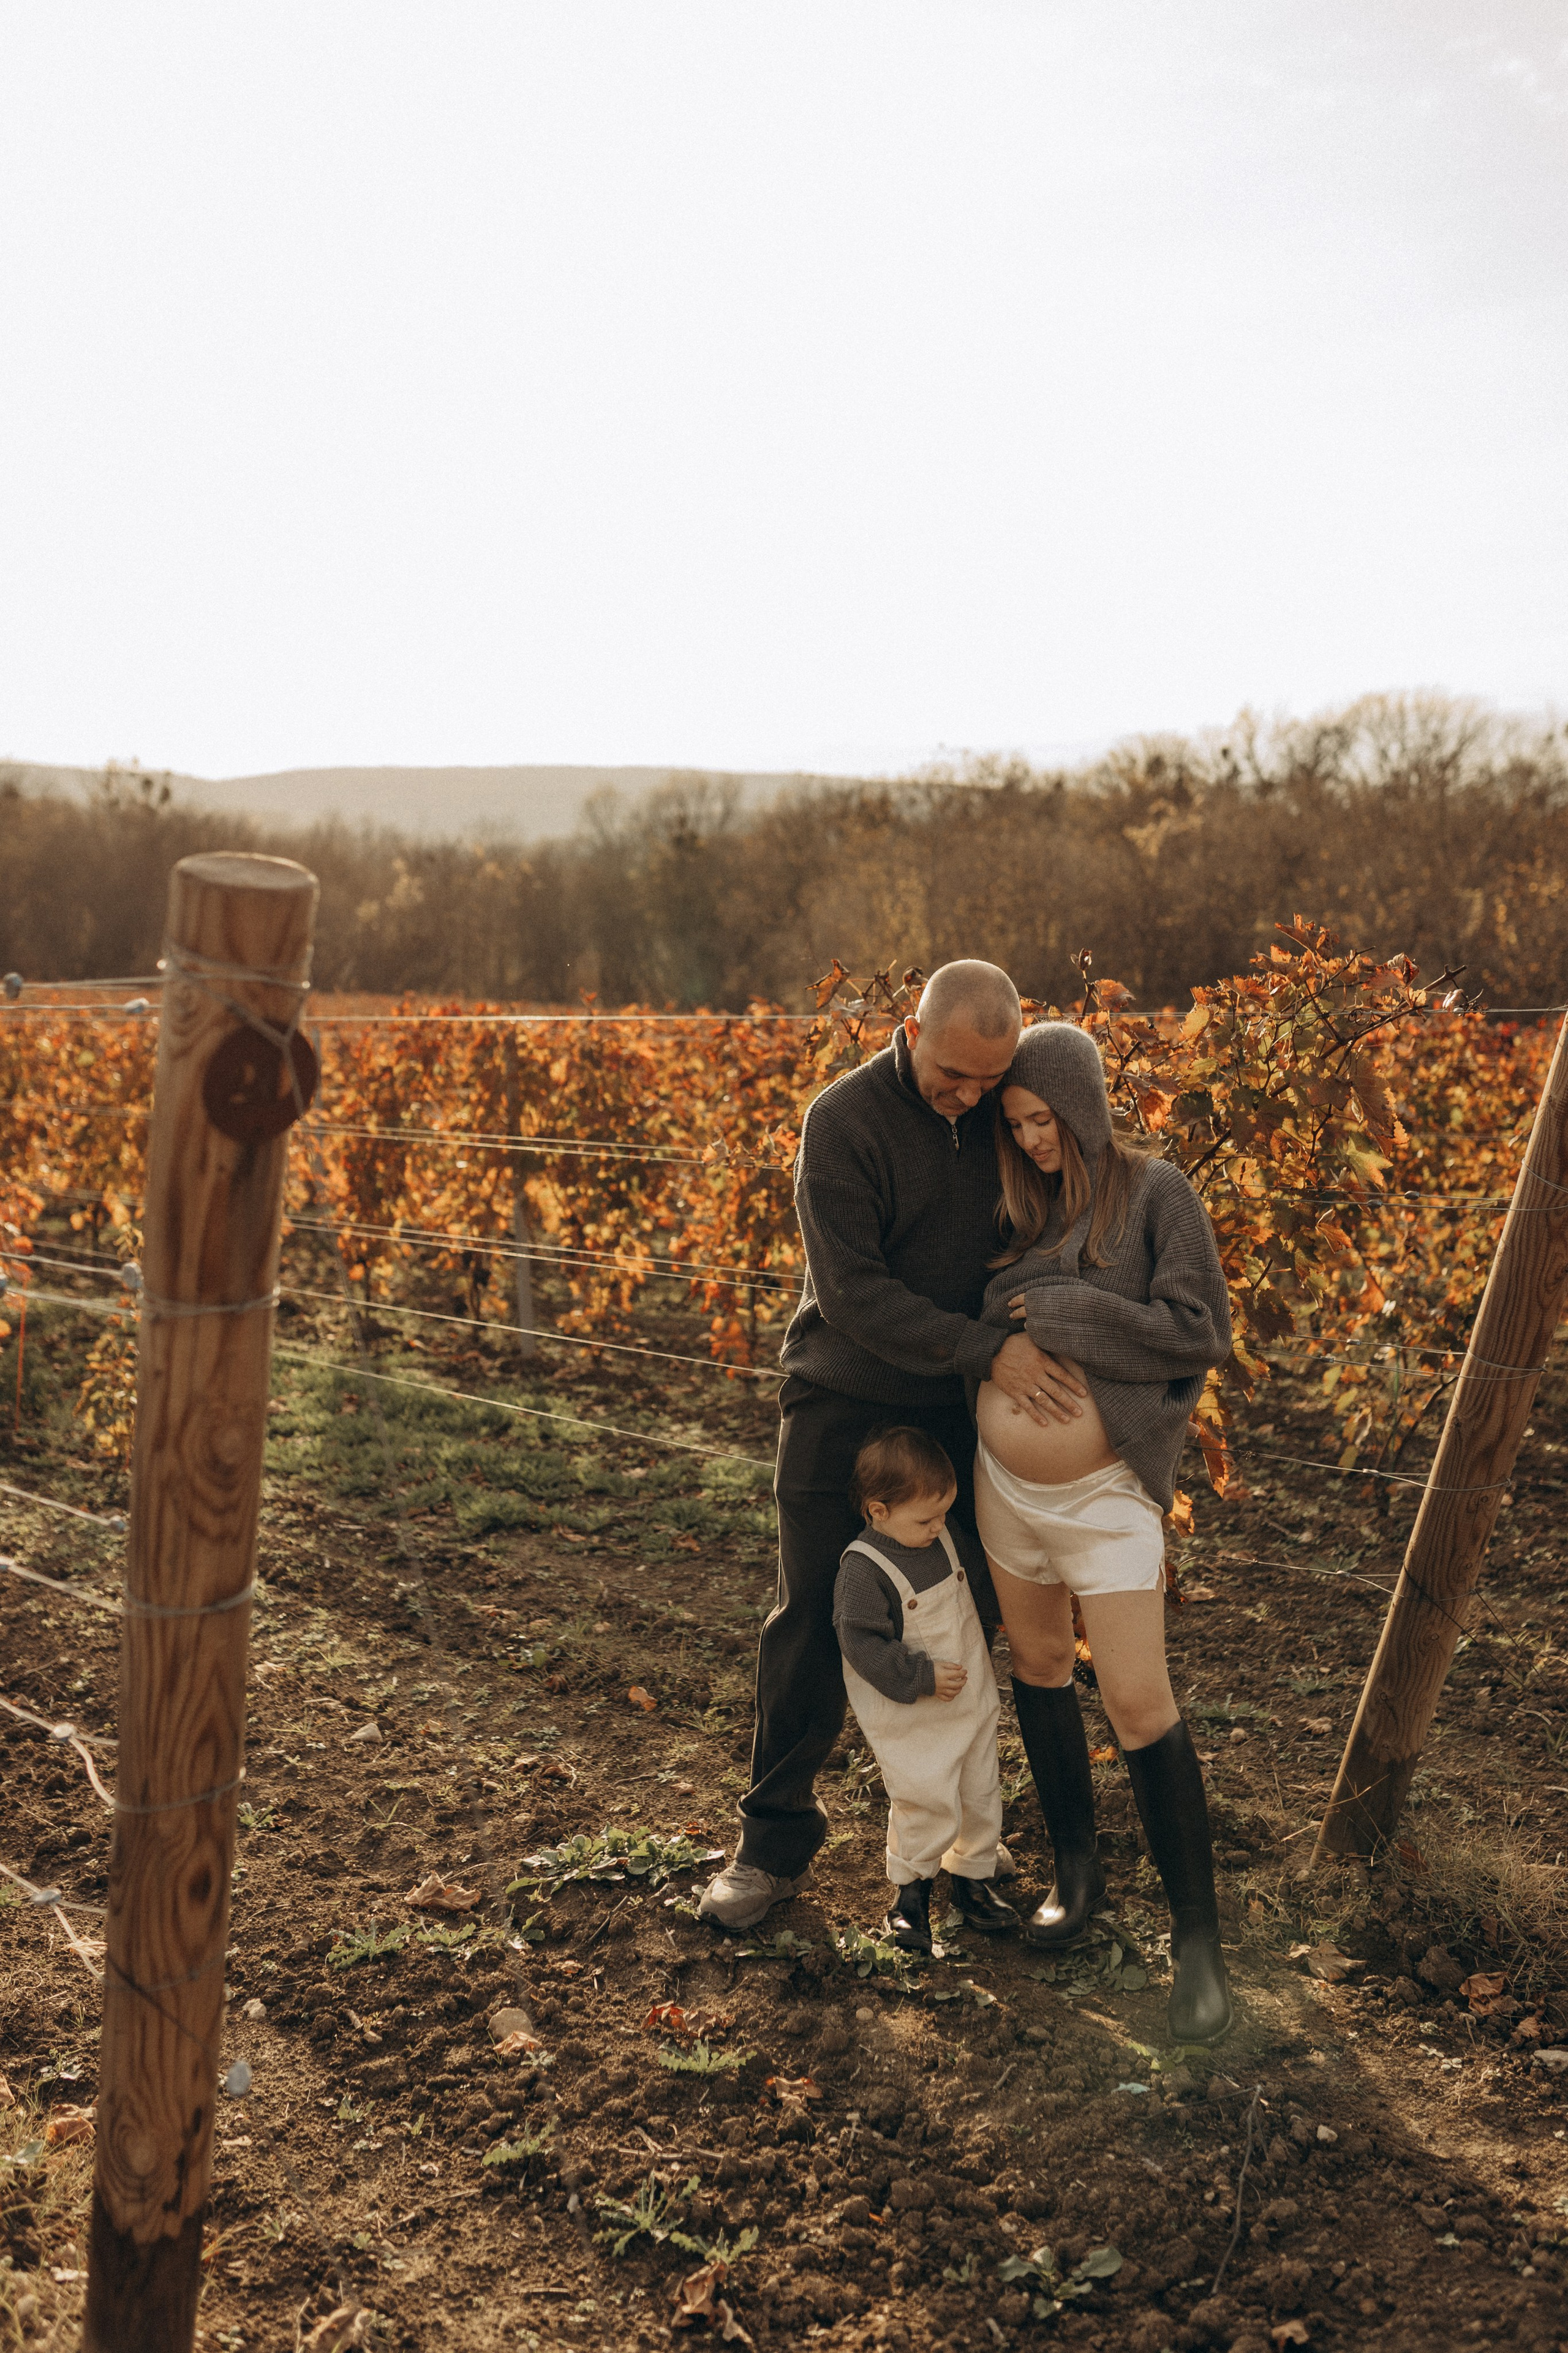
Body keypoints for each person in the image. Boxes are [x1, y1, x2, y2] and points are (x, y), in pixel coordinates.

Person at [698, 960, 1084, 1932]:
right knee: (813, 1622)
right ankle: (772, 1845)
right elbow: (855, 1294)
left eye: (989, 1081)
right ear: (910, 1034)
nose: (970, 1096)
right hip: (844, 1398)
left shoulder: (1005, 1110)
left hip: (961, 1413)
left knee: (966, 1626)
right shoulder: (843, 1121)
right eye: (952, 1075)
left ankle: (964, 1856)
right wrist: (990, 1348)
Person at [970, 1020, 1234, 2043]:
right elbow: (993, 1306)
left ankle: (1197, 1944)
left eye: (1044, 1118)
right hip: (1007, 1489)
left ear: (1082, 1105)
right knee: (1036, 1664)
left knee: (1134, 1698)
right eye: (1017, 1123)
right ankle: (1078, 1879)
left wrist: (1066, 1315)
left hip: (1108, 1494)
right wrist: (1017, 1322)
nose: (1033, 1140)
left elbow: (1196, 1328)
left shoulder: (1158, 1195)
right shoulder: (1019, 1204)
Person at [833, 1426, 1018, 1954]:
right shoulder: (864, 1570)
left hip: (970, 1696)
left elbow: (977, 1584)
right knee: (924, 1794)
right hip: (913, 1708)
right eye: (926, 1518)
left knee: (980, 1787)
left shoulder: (946, 1534)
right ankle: (911, 1895)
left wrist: (1002, 1621)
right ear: (878, 1510)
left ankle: (972, 1879)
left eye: (943, 1513)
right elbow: (861, 1642)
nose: (938, 1526)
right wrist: (920, 1676)